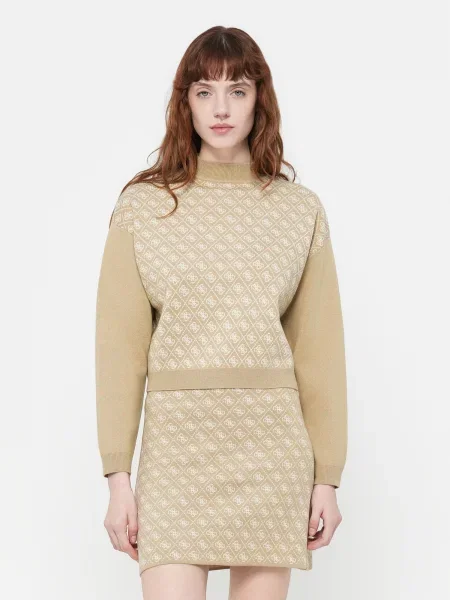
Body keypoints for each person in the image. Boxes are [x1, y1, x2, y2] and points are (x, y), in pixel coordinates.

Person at [95, 25, 347, 600]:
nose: (222, 108)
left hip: (270, 454)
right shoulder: (143, 207)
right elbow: (119, 351)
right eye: (204, 91)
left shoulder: (298, 210)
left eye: (238, 90)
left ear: (260, 99)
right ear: (185, 102)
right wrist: (117, 478)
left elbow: (320, 353)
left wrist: (327, 478)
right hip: (176, 456)